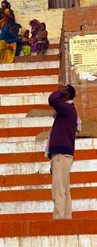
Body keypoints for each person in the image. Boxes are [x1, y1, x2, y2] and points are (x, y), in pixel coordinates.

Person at [46, 84, 78, 219]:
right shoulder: (68, 111)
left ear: (67, 95)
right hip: (64, 154)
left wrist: (58, 92)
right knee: (64, 189)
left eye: (62, 91)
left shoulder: (68, 109)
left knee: (58, 189)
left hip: (61, 154)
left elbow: (52, 100)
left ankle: (59, 219)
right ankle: (66, 219)